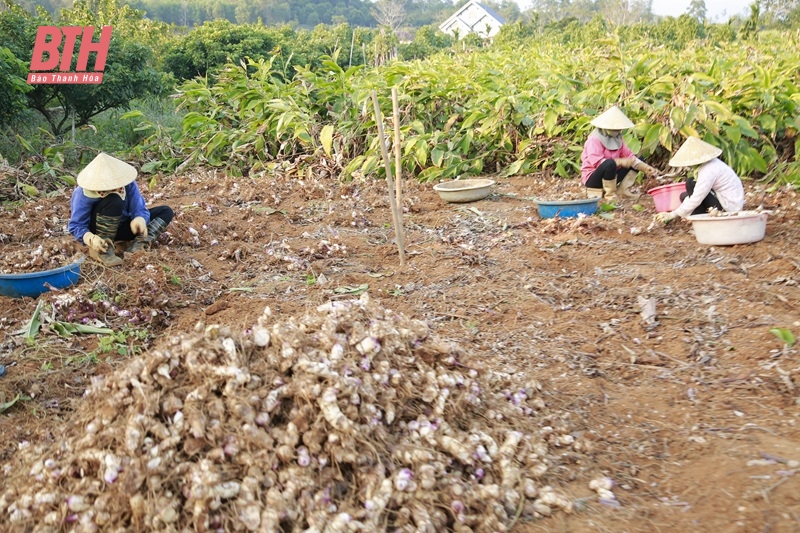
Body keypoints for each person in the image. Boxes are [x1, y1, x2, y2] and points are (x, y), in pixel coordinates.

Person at [68, 152, 174, 266]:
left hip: (123, 225)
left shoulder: (127, 184)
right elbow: (76, 225)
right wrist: (90, 238)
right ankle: (105, 251)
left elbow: (139, 207)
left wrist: (140, 218)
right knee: (114, 200)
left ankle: (139, 245)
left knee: (166, 211)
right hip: (99, 233)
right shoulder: (82, 194)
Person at [654, 137, 744, 224]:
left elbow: (697, 198)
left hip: (729, 207)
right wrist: (681, 212)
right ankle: (695, 214)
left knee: (691, 183)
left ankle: (698, 217)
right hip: (727, 200)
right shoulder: (712, 163)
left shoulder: (708, 170)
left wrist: (672, 215)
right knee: (684, 196)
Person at [580, 105, 658, 200]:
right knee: (610, 163)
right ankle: (610, 195)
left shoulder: (618, 139)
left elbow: (629, 156)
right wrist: (620, 161)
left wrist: (645, 167)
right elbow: (597, 162)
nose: (618, 131)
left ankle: (623, 190)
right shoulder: (594, 140)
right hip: (593, 178)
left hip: (612, 176)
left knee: (637, 160)